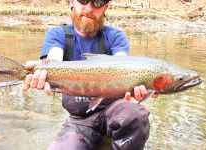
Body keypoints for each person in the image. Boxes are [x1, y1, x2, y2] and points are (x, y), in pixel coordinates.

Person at [23, 0, 150, 149]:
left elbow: (121, 62)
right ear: (72, 2)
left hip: (114, 112)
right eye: (83, 0)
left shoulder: (115, 36)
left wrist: (137, 81)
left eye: (97, 2)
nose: (89, 8)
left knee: (135, 113)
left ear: (105, 8)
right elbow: (54, 58)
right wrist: (42, 72)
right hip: (78, 120)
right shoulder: (57, 34)